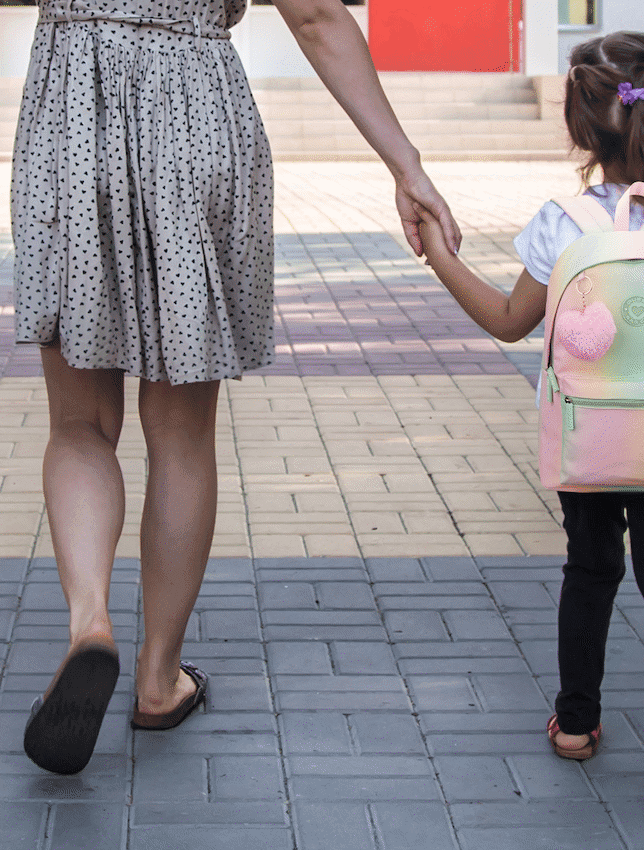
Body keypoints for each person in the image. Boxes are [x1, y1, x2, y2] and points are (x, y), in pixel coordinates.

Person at [13, 0, 461, 775]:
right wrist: (406, 165)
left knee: (80, 423)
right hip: (193, 111)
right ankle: (159, 679)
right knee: (181, 434)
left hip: (70, 111)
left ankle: (91, 624)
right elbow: (318, 16)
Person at [418, 31, 644, 814]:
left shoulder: (563, 223)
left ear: (577, 126)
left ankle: (575, 721)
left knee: (590, 570)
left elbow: (507, 320)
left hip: (589, 440)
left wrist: (438, 254)